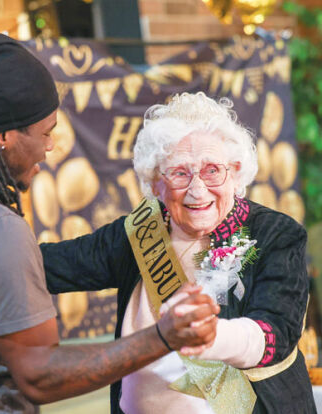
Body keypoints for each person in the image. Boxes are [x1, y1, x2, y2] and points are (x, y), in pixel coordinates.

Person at [0, 31, 220, 413]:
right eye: (45, 132)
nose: (49, 147)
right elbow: (39, 374)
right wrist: (161, 337)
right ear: (3, 136)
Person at [41, 92, 317, 414]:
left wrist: (211, 335)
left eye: (213, 170)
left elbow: (276, 332)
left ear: (236, 172)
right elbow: (48, 267)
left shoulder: (275, 235)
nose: (198, 190)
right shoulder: (136, 234)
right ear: (156, 183)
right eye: (180, 173)